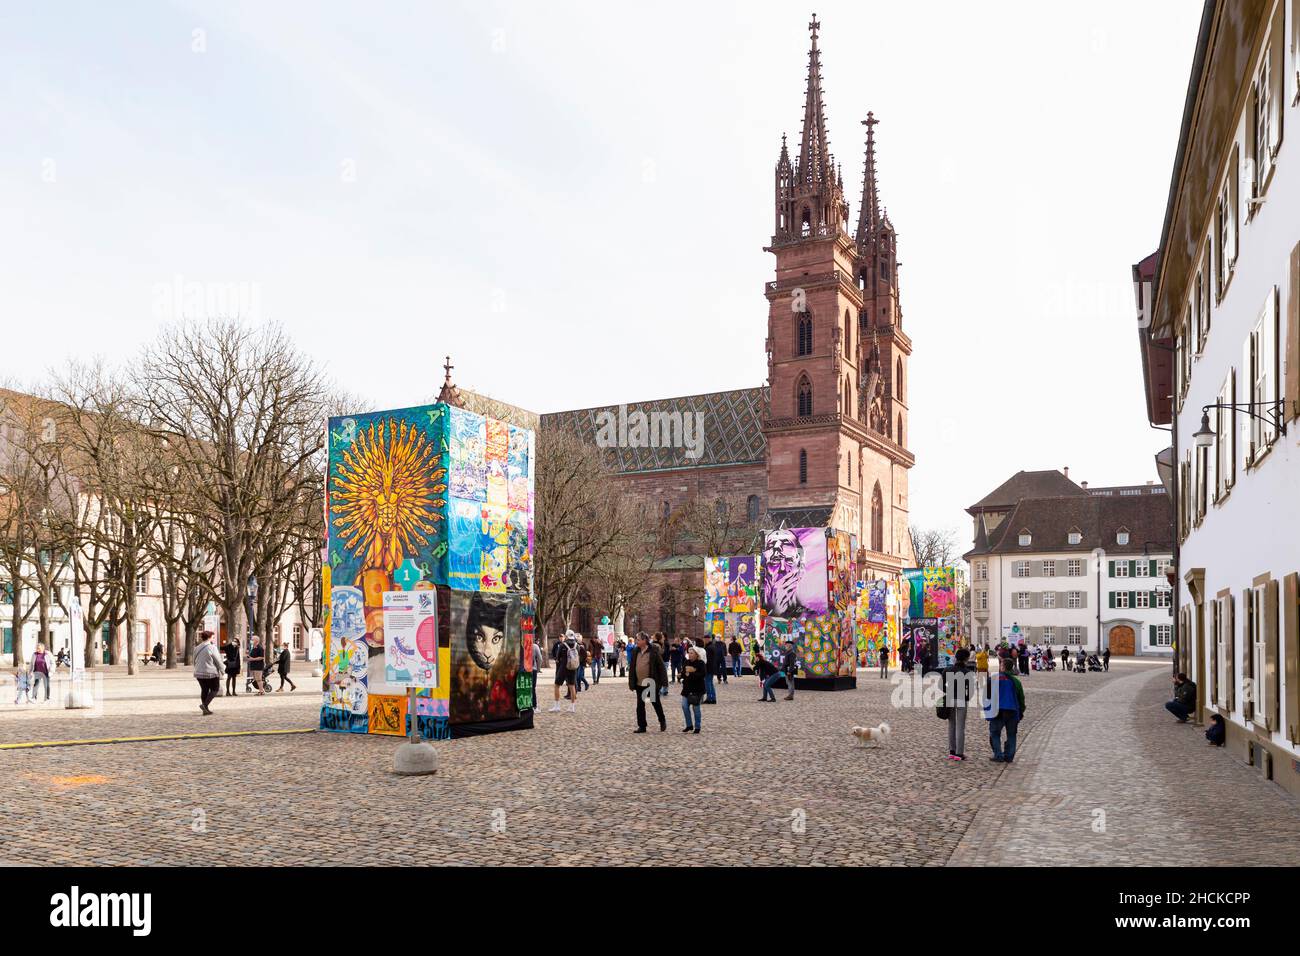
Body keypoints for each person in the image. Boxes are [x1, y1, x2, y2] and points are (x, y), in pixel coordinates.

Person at [985, 657, 1026, 763]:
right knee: (1011, 734)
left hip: (997, 710)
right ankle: (1009, 756)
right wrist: (1021, 710)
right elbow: (1021, 698)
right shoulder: (1016, 681)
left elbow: (987, 696)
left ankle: (998, 755)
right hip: (1012, 710)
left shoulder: (993, 679)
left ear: (1002, 667)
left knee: (995, 733)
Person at [628, 632, 667, 733]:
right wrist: (631, 682)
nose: (636, 641)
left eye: (638, 640)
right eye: (636, 640)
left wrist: (664, 681)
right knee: (640, 705)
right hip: (639, 683)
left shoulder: (653, 651)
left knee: (655, 702)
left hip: (650, 682)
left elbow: (661, 666)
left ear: (644, 640)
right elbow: (632, 667)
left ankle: (662, 720)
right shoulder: (636, 651)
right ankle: (642, 726)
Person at [943, 648, 975, 761]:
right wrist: (967, 698)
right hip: (961, 699)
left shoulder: (947, 670)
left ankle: (952, 751)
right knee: (960, 727)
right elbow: (971, 690)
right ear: (966, 659)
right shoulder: (968, 672)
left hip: (950, 698)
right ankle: (959, 753)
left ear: (956, 657)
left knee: (951, 725)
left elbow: (942, 686)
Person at [192, 630, 223, 715]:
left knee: (204, 690)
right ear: (209, 637)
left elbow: (193, 660)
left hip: (199, 673)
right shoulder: (212, 647)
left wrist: (197, 668)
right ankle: (204, 705)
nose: (213, 639)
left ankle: (205, 710)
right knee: (215, 689)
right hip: (211, 673)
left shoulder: (197, 648)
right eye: (213, 637)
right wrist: (222, 670)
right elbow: (218, 660)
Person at [680, 645, 706, 734]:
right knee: (684, 706)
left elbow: (702, 674)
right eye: (689, 653)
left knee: (696, 708)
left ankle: (697, 726)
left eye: (691, 653)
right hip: (687, 688)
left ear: (696, 654)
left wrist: (691, 674)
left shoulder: (701, 663)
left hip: (697, 689)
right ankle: (689, 725)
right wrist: (681, 675)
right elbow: (684, 672)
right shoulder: (686, 662)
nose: (689, 655)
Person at [550, 632, 579, 713]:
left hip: (563, 667)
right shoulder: (577, 645)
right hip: (573, 668)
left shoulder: (563, 645)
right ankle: (572, 707)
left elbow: (557, 656)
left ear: (566, 636)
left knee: (557, 685)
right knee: (572, 686)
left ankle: (557, 706)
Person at [704, 636, 723, 703]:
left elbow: (707, 659)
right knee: (710, 683)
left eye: (705, 639)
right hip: (712, 667)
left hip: (708, 667)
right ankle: (713, 698)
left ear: (708, 639)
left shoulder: (709, 647)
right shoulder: (712, 646)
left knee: (708, 683)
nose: (704, 640)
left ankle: (709, 698)